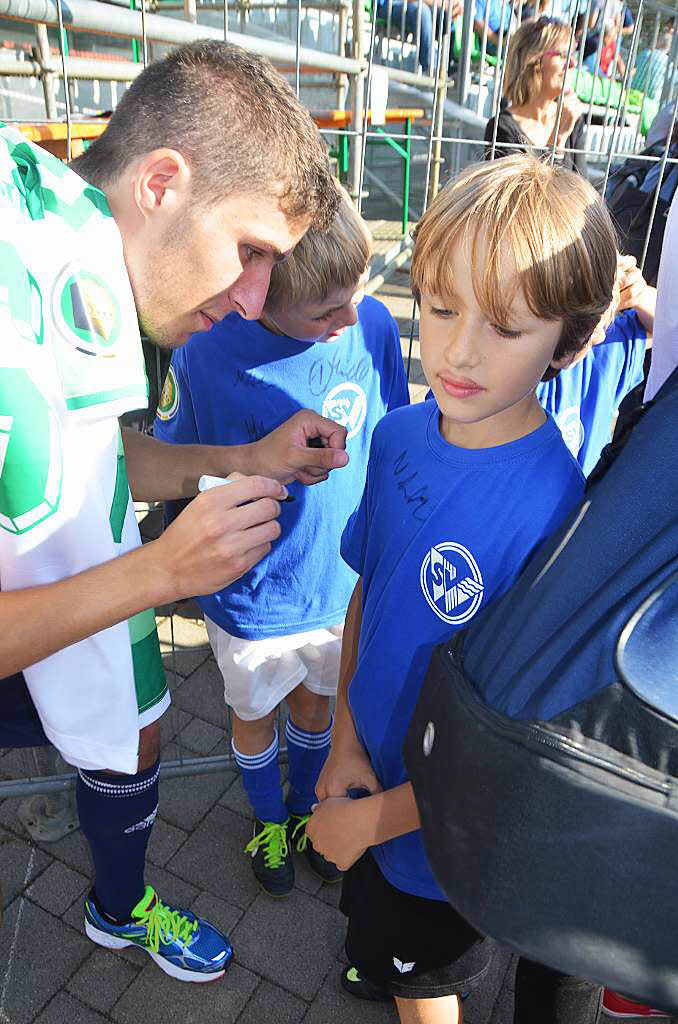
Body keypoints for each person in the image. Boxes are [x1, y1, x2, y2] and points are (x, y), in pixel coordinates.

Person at [0, 40, 347, 982]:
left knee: (137, 723)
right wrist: (160, 574)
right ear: (161, 182)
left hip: (67, 627)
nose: (251, 300)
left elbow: (101, 462)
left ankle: (120, 908)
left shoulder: (72, 259)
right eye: (250, 253)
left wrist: (244, 457)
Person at [306, 153, 618, 1024]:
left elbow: (517, 750)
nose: (460, 349)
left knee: (426, 985)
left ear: (571, 339)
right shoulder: (400, 437)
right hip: (361, 778)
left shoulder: (555, 513)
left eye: (508, 326)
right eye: (441, 308)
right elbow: (367, 590)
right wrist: (341, 741)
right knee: (386, 956)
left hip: (440, 842)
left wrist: (377, 824)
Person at [155, 187, 410, 897]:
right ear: (258, 296)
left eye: (355, 295)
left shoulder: (373, 326)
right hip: (253, 595)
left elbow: (391, 429)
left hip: (337, 585)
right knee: (252, 712)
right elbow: (176, 460)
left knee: (316, 708)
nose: (350, 317)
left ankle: (304, 810)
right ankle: (267, 818)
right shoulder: (205, 349)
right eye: (325, 310)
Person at [536, 254, 655, 476]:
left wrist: (638, 293)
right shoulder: (510, 374)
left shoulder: (604, 354)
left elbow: (666, 330)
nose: (597, 335)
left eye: (600, 320)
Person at [484, 17, 588, 178]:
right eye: (563, 55)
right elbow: (521, 199)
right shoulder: (502, 128)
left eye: (572, 54)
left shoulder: (572, 119)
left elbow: (585, 192)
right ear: (534, 60)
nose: (572, 63)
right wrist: (557, 143)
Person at [632, 30, 674, 101]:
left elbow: (633, 70)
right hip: (651, 98)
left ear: (659, 42)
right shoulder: (669, 64)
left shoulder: (644, 53)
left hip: (633, 92)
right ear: (669, 47)